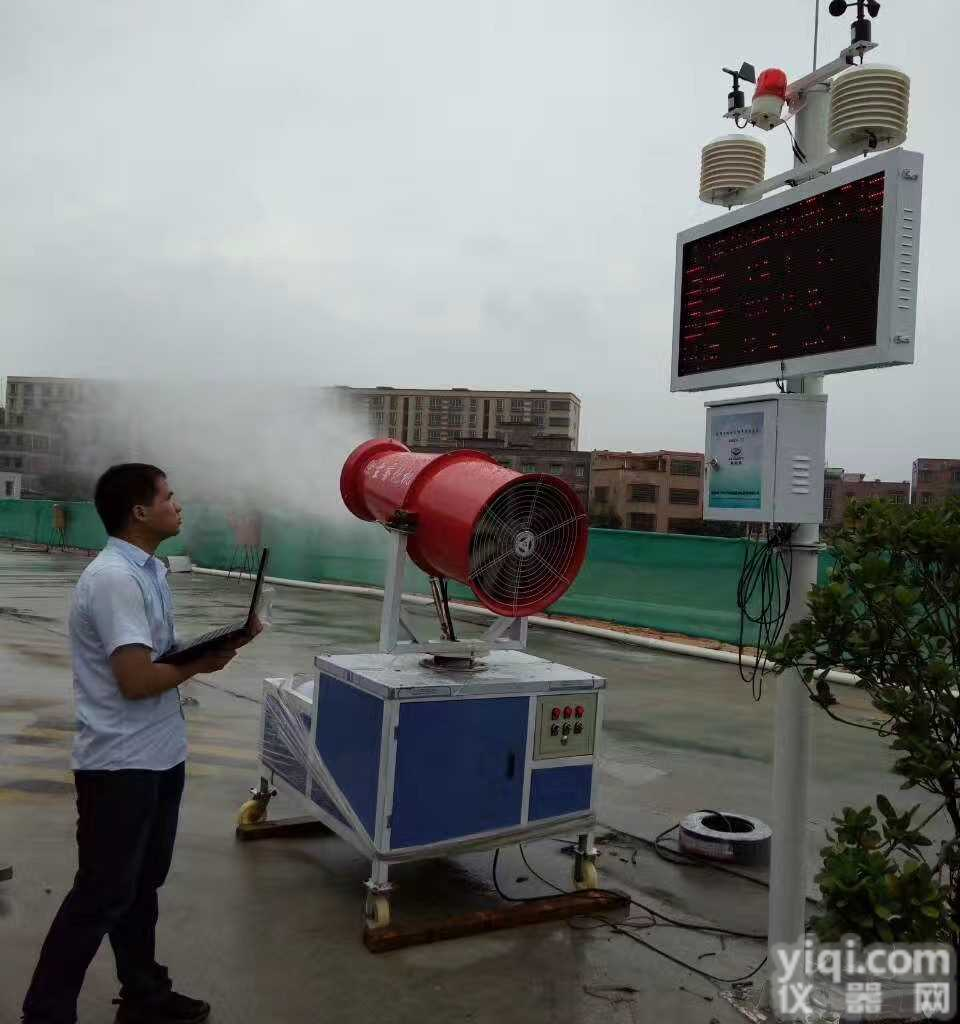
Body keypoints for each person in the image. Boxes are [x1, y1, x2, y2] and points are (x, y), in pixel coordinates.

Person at [22, 464, 261, 1024]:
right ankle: (46, 1012)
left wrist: (211, 649)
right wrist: (198, 663)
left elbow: (160, 656)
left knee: (139, 887)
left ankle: (144, 994)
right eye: (169, 497)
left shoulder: (149, 570)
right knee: (101, 896)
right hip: (119, 765)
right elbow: (135, 681)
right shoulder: (112, 580)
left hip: (159, 755)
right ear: (138, 512)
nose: (178, 506)